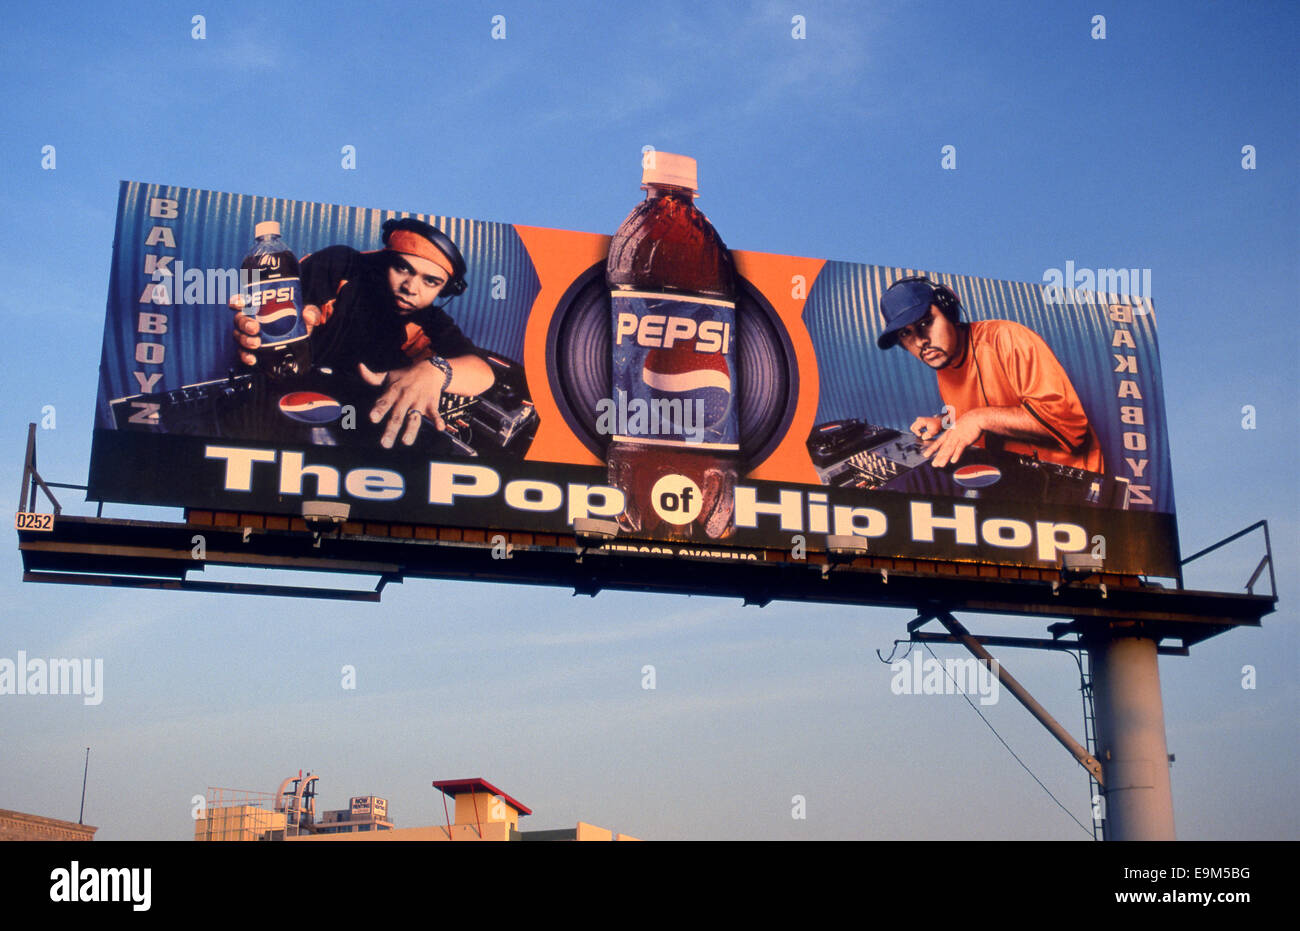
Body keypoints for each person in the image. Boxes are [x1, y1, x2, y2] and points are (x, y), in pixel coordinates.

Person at [230, 218, 494, 448]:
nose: (411, 288)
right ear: (384, 260)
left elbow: (483, 372)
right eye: (402, 268)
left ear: (444, 290)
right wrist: (270, 326)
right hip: (280, 408)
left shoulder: (432, 321)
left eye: (431, 281)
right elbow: (294, 307)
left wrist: (435, 371)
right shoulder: (341, 264)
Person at [877, 276, 1104, 472]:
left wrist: (979, 418)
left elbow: (1070, 425)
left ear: (949, 312)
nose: (920, 341)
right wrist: (942, 422)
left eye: (926, 322)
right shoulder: (943, 360)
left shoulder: (1007, 339)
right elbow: (971, 409)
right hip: (1015, 475)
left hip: (1069, 472)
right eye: (906, 333)